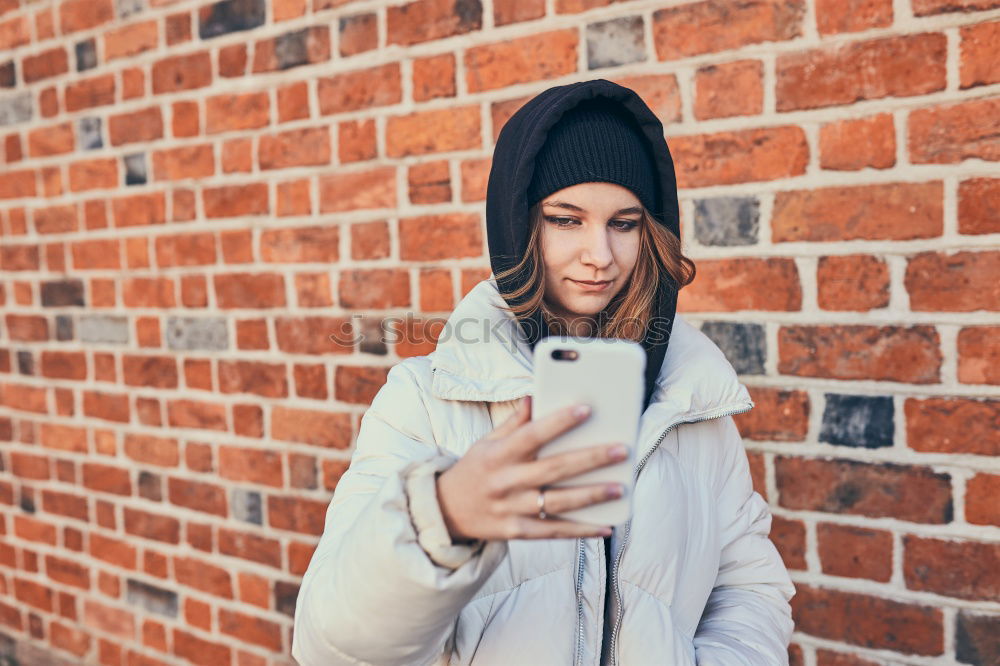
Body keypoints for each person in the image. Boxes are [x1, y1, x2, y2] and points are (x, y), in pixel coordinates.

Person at [292, 78, 795, 665]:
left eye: (625, 223)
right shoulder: (424, 402)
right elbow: (331, 645)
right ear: (518, 225)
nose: (600, 255)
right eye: (566, 219)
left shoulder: (693, 401)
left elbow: (748, 586)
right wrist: (444, 518)